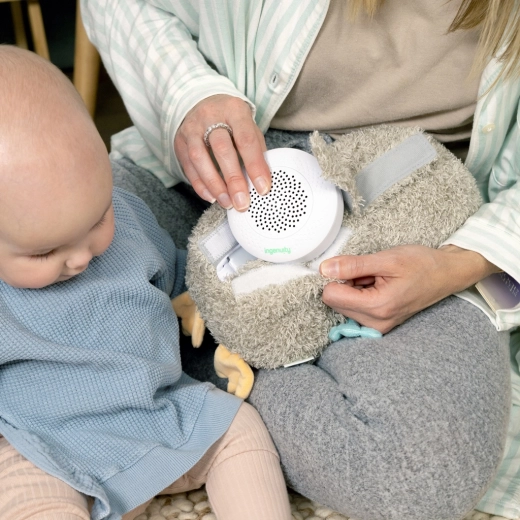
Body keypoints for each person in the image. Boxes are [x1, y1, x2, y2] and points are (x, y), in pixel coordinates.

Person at [81, 1, 520, 519]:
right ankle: (221, 349)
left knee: (418, 476)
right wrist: (188, 94)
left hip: (419, 212)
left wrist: (458, 264)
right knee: (39, 255)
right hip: (211, 172)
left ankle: (198, 356)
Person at [0, 46, 292, 520]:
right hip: (43, 446)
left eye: (97, 219)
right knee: (25, 491)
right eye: (44, 252)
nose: (81, 256)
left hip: (156, 414)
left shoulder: (128, 215)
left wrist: (207, 303)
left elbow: (177, 278)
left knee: (238, 428)